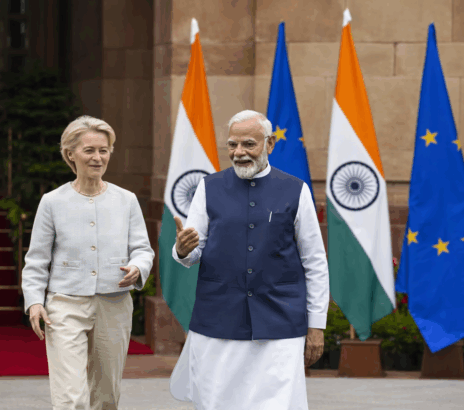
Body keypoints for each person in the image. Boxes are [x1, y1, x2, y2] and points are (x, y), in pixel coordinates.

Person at [169, 110, 329, 410]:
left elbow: (315, 262)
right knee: (217, 402)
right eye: (232, 145)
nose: (239, 152)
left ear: (270, 144)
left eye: (248, 144)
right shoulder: (209, 187)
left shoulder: (296, 190)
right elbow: (192, 251)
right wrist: (182, 250)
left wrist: (316, 325)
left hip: (280, 320)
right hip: (219, 319)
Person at [21, 115, 155, 410]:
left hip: (114, 304)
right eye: (89, 150)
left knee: (106, 397)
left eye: (103, 150)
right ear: (71, 154)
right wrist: (35, 301)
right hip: (65, 305)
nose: (98, 157)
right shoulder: (52, 201)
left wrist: (138, 267)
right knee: (70, 397)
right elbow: (37, 258)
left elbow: (143, 249)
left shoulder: (126, 200)